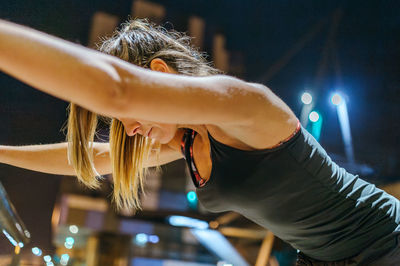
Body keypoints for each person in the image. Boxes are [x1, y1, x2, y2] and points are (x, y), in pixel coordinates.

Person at [0, 18, 399, 265]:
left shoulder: (246, 105)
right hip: (322, 258)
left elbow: (116, 89)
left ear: (160, 73)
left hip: (383, 242)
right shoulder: (188, 141)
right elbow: (89, 158)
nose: (132, 130)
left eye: (130, 118)